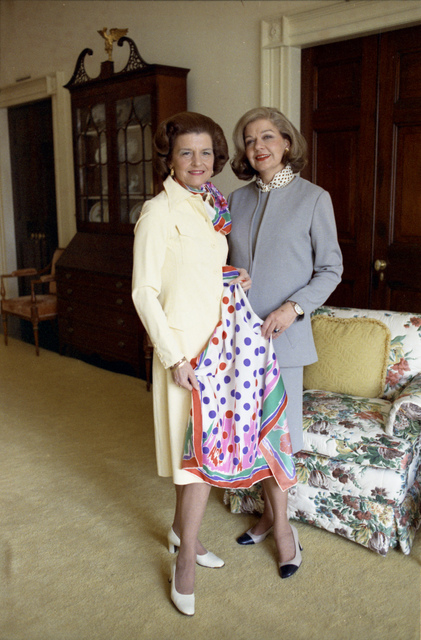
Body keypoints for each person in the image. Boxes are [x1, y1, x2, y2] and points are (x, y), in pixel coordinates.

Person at [132, 112, 251, 616]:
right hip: (185, 353)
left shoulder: (213, 205)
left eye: (206, 152)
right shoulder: (158, 212)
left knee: (201, 453)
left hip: (220, 346)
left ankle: (184, 533)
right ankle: (184, 561)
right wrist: (175, 356)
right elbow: (145, 290)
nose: (197, 162)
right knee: (195, 461)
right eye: (186, 152)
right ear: (170, 158)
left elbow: (194, 271)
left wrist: (230, 276)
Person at [228, 107, 343, 577]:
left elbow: (330, 269)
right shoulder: (234, 200)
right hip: (238, 340)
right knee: (251, 436)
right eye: (251, 139)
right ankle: (267, 515)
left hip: (285, 342)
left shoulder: (314, 199)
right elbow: (220, 259)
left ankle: (282, 532)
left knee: (277, 438)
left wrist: (292, 308)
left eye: (268, 137)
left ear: (287, 144)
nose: (259, 146)